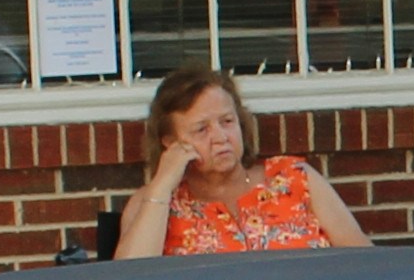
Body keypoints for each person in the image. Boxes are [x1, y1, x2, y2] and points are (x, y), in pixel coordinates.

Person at [116, 66, 372, 255]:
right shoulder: (153, 203)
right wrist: (162, 184)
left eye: (227, 122)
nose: (220, 138)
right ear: (170, 142)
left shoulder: (295, 178)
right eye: (201, 130)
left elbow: (364, 261)